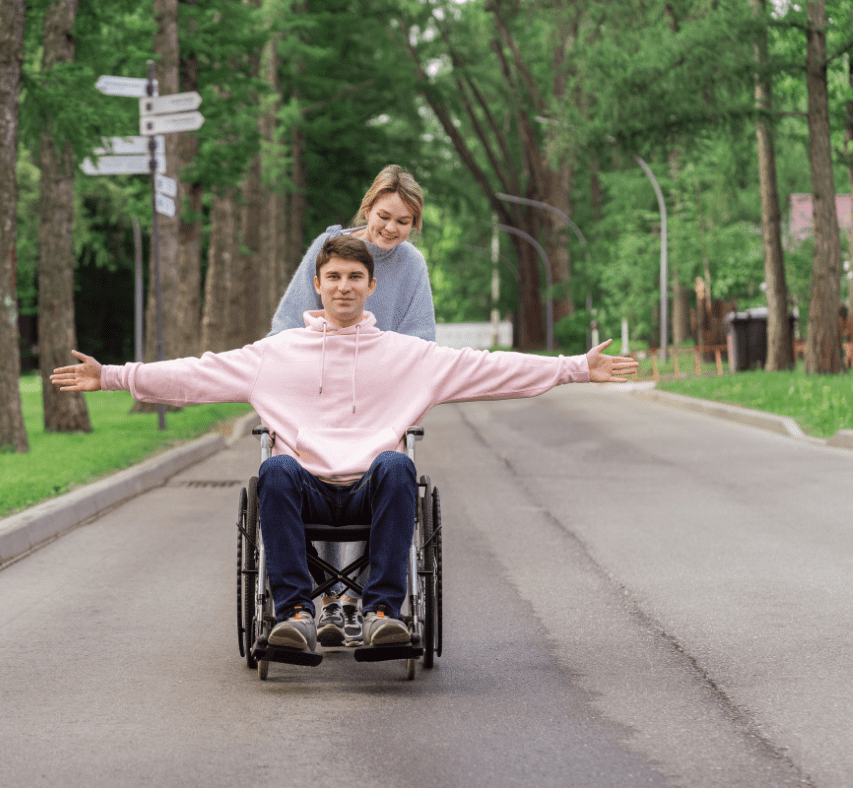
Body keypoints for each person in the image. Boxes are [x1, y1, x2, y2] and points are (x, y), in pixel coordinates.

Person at [51, 235, 638, 653]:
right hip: (303, 491)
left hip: (371, 492)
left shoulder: (409, 357)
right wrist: (114, 376)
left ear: (372, 286)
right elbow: (198, 373)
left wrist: (575, 369)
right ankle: (295, 616)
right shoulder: (275, 355)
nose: (344, 286)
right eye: (333, 277)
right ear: (318, 284)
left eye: (355, 277)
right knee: (274, 471)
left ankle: (384, 611)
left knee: (397, 464)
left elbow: (488, 368)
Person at [270, 164, 435, 647]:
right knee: (306, 459)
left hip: (380, 390)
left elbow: (423, 337)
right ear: (368, 208)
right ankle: (318, 603)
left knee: (381, 462)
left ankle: (366, 603)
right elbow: (285, 325)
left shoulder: (413, 267)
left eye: (403, 222)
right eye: (384, 216)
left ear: (413, 225)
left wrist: (385, 370)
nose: (391, 229)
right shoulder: (329, 253)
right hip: (317, 383)